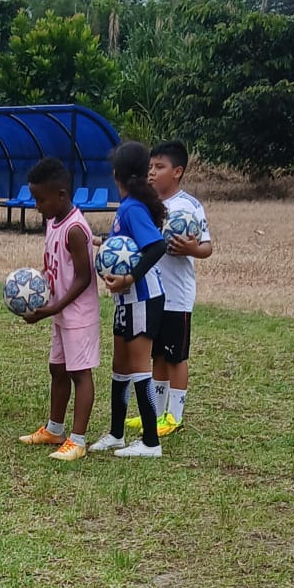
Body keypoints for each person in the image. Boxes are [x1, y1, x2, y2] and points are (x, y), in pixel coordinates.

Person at [89, 141, 170, 458]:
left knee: (138, 367)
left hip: (142, 297)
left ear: (116, 174)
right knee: (120, 367)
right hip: (126, 301)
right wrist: (101, 242)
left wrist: (129, 278)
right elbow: (127, 245)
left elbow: (156, 246)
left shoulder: (132, 208)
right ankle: (116, 433)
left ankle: (150, 442)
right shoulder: (128, 207)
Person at [17, 157, 99, 462]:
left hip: (77, 315)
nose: (37, 206)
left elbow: (83, 277)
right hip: (59, 311)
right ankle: (54, 429)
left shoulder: (75, 229)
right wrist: (37, 289)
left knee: (80, 373)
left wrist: (51, 309)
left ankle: (77, 441)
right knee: (58, 369)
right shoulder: (53, 222)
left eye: (41, 199)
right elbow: (54, 265)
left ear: (61, 195)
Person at [138, 139, 211, 436]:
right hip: (153, 294)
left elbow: (207, 248)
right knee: (157, 355)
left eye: (159, 167)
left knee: (176, 356)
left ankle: (175, 416)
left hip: (177, 297)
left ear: (177, 171)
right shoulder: (148, 206)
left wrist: (192, 249)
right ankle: (156, 413)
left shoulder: (189, 207)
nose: (152, 173)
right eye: (150, 167)